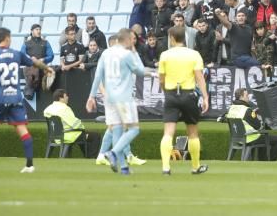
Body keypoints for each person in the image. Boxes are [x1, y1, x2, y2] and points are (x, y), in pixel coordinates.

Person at [0, 27, 55, 173]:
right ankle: (29, 165)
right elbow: (34, 62)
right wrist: (47, 68)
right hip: (16, 98)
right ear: (7, 38)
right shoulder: (17, 54)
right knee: (22, 129)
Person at [86, 28, 146, 175]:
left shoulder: (105, 53)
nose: (134, 41)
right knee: (133, 129)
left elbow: (98, 76)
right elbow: (141, 71)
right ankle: (112, 153)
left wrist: (91, 96)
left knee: (117, 131)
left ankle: (124, 167)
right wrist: (135, 52)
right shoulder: (127, 54)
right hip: (123, 98)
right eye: (132, 39)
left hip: (110, 98)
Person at [157, 26, 209, 175]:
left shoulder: (165, 55)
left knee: (168, 132)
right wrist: (205, 96)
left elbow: (161, 78)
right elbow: (199, 77)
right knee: (192, 132)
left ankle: (166, 167)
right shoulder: (194, 54)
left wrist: (165, 90)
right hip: (188, 94)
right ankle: (195, 166)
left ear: (172, 38)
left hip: (172, 94)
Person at [225, 88, 277, 161]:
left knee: (263, 137)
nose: (248, 97)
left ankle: (263, 161)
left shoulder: (230, 108)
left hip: (236, 139)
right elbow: (258, 126)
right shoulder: (247, 110)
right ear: (241, 97)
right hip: (250, 138)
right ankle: (269, 162)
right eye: (246, 95)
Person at [43, 89, 99, 154]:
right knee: (95, 136)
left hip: (55, 138)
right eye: (66, 96)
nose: (67, 98)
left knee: (82, 134)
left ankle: (87, 156)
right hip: (68, 136)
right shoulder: (65, 108)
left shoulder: (47, 109)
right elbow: (75, 124)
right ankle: (91, 158)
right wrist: (82, 127)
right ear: (60, 98)